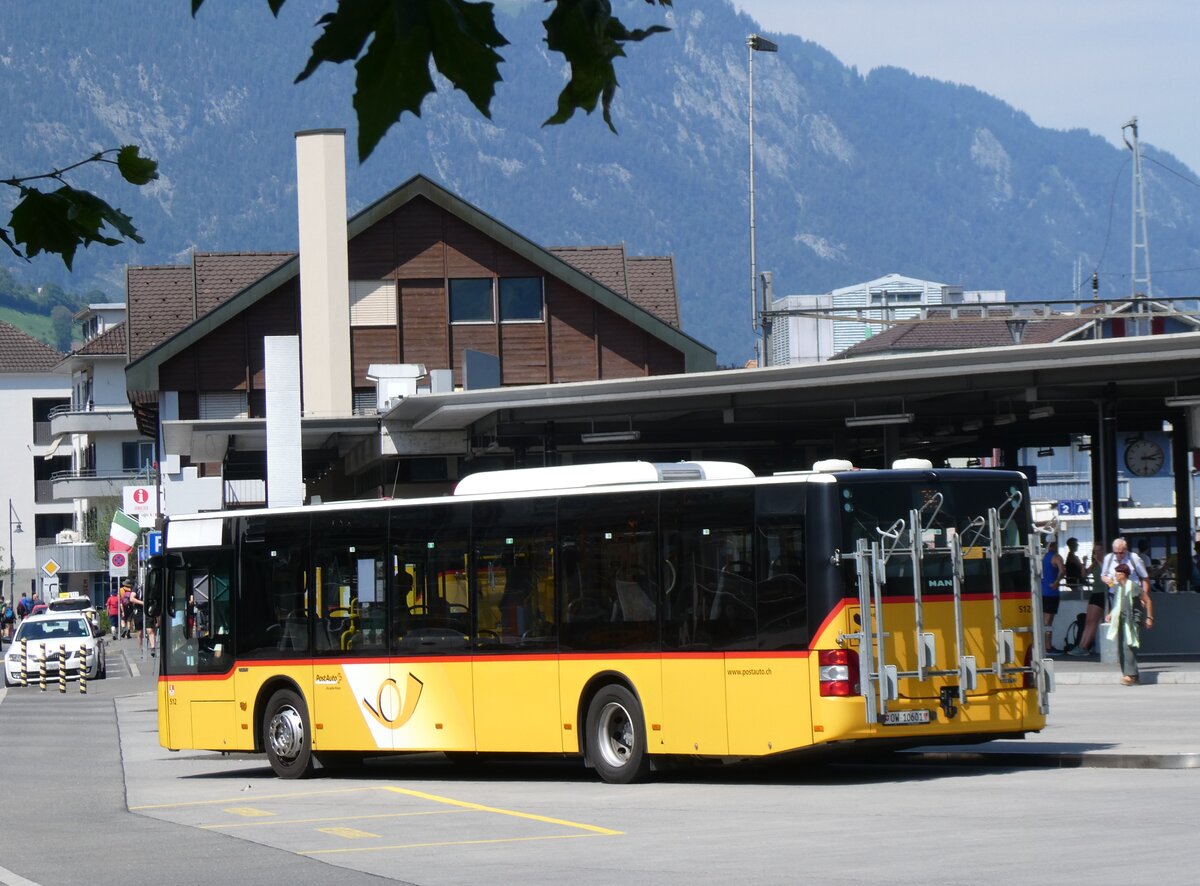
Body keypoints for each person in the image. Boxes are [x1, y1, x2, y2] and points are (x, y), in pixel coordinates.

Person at [1074, 536, 1151, 656]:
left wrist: (1143, 599)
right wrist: (1110, 582)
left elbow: (1145, 578)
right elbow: (1102, 575)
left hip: (1131, 595)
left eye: (1121, 553)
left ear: (1126, 550)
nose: (1119, 556)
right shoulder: (1108, 559)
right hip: (1114, 594)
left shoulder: (1133, 558)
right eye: (1116, 553)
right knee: (1108, 622)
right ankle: (1119, 652)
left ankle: (1129, 652)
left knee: (1130, 624)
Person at [1105, 562, 1153, 685]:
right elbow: (1118, 604)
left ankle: (1130, 675)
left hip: (1132, 621)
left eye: (1118, 573)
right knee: (1122, 648)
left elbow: (1148, 601)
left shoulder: (1134, 587)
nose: (1115, 575)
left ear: (1124, 574)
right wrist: (1110, 614)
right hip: (1121, 620)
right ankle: (1131, 675)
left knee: (1128, 646)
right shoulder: (1118, 588)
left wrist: (1149, 617)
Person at [1041, 538, 1064, 653]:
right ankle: (1048, 646)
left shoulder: (1041, 556)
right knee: (1048, 621)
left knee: (1044, 620)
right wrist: (1057, 582)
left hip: (1042, 591)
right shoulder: (1056, 557)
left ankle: (1045, 645)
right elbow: (1062, 570)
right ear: (1054, 545)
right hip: (1051, 592)